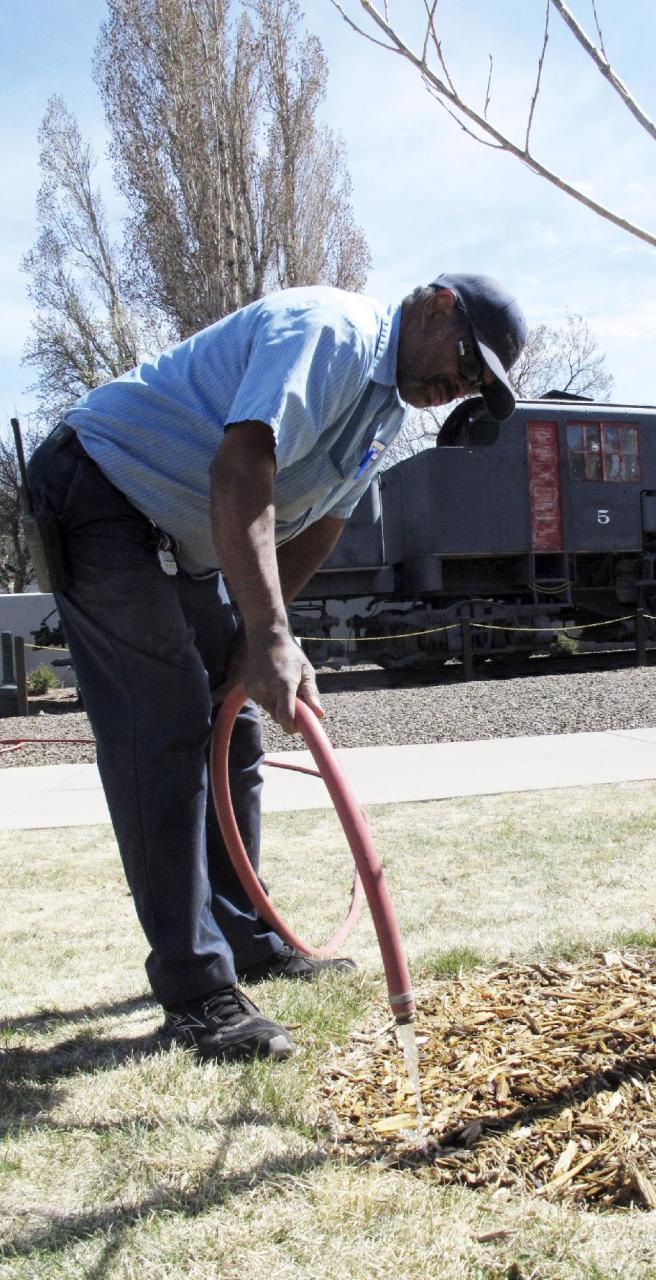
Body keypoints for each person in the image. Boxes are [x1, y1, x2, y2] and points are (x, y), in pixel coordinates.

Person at [27, 273, 527, 1062]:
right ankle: (198, 995)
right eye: (463, 362)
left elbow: (321, 526)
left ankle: (244, 938)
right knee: (165, 726)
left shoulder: (382, 414)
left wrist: (253, 642)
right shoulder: (329, 332)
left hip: (179, 535)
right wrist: (263, 634)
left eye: (470, 385)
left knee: (234, 728)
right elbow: (241, 468)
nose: (453, 387)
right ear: (434, 304)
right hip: (97, 489)